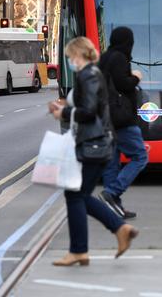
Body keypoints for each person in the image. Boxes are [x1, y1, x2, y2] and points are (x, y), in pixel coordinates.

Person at [49, 37, 138, 266]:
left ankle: (80, 250)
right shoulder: (92, 74)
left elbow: (89, 112)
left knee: (75, 196)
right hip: (97, 144)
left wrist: (64, 114)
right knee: (80, 196)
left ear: (78, 55)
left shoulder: (88, 75)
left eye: (70, 57)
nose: (70, 61)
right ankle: (120, 229)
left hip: (94, 145)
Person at [98, 27, 148, 219]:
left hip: (105, 119)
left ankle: (114, 207)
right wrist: (136, 77)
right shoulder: (119, 58)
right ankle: (112, 192)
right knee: (140, 157)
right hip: (121, 119)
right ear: (128, 42)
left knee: (112, 163)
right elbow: (123, 84)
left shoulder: (104, 57)